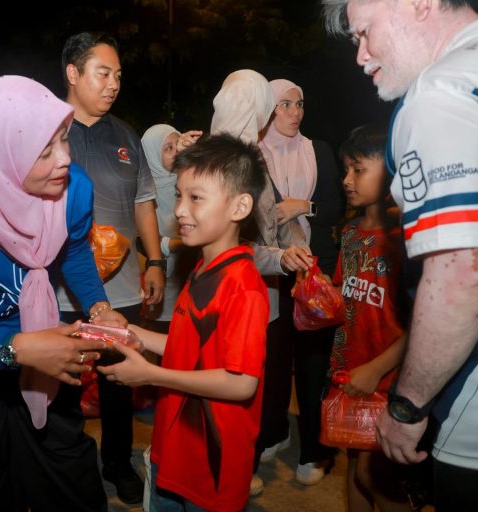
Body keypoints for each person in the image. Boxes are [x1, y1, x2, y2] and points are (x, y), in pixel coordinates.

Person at [323, 1, 478, 510]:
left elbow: (465, 270)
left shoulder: (442, 92)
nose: (361, 56)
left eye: (364, 32)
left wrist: (406, 406)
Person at [0, 75, 127, 512]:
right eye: (44, 150)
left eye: (65, 140)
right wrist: (18, 349)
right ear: (1, 157)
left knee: (65, 461)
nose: (65, 159)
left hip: (37, 333)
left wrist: (99, 306)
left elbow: (73, 250)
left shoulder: (74, 189)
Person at [99, 134, 270, 512]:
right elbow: (187, 345)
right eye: (178, 195)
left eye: (196, 197)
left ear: (240, 206)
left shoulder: (242, 287)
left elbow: (241, 383)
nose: (179, 210)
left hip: (212, 467)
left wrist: (151, 375)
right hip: (174, 453)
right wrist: (130, 332)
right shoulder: (204, 269)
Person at [56, 31, 165, 504]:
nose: (114, 83)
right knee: (59, 386)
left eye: (118, 75)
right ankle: (65, 465)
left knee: (119, 383)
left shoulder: (125, 135)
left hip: (120, 289)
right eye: (104, 73)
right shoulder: (49, 133)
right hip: (58, 290)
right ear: (73, 74)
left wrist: (155, 260)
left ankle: (117, 463)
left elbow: (144, 203)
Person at [210, 68, 312, 495]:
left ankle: (235, 468)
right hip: (236, 294)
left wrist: (292, 247)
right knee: (231, 389)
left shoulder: (246, 159)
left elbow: (268, 222)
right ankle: (223, 475)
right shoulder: (228, 164)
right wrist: (281, 257)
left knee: (246, 388)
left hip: (258, 294)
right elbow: (232, 246)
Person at [256, 78, 344, 485]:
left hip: (314, 273)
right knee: (271, 364)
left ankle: (314, 448)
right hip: (270, 276)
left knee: (313, 366)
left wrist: (301, 207)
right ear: (268, 110)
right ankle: (273, 431)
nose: (294, 112)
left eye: (300, 104)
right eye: (284, 105)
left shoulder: (318, 151)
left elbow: (334, 207)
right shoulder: (254, 156)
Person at [331, 125, 410, 512]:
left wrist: (376, 369)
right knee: (353, 464)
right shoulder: (348, 233)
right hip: (351, 373)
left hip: (390, 379)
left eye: (358, 169)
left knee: (375, 475)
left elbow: (421, 326)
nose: (347, 180)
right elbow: (342, 299)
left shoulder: (406, 239)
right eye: (345, 169)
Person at [140, 124, 202, 333]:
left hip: (193, 278)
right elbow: (145, 240)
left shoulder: (187, 181)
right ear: (152, 155)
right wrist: (182, 242)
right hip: (165, 284)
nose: (176, 151)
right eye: (168, 148)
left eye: (177, 144)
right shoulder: (144, 191)